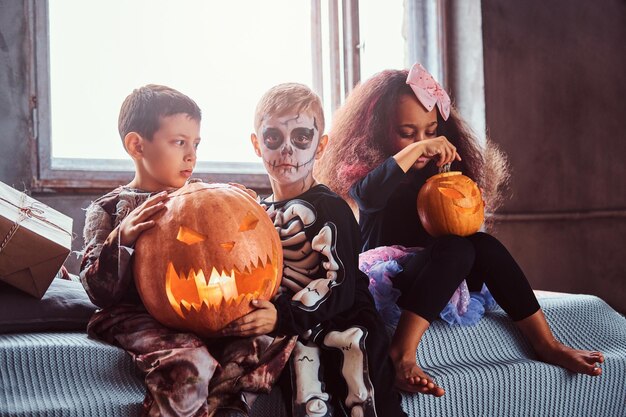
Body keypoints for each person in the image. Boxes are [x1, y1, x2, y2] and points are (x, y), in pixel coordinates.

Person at [316, 63, 604, 397]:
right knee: (457, 249)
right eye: (407, 133)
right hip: (391, 276)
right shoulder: (376, 173)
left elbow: (457, 226)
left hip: (441, 271)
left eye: (430, 131)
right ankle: (402, 352)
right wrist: (414, 151)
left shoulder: (441, 168)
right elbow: (365, 194)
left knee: (479, 243)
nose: (423, 142)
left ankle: (546, 342)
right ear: (378, 132)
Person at [80, 84, 294, 416]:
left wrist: (242, 206)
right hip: (134, 316)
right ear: (137, 145)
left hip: (202, 315)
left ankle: (226, 405)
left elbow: (237, 251)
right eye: (179, 142)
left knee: (270, 337)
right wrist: (123, 237)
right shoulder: (109, 210)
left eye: (195, 143)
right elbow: (97, 290)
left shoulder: (204, 196)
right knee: (188, 358)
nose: (191, 155)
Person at [224, 82, 406, 416]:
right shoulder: (257, 213)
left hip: (347, 323)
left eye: (301, 138)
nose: (287, 150)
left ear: (320, 145)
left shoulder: (331, 207)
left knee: (369, 403)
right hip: (296, 335)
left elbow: (342, 285)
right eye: (273, 138)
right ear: (256, 144)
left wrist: (282, 317)